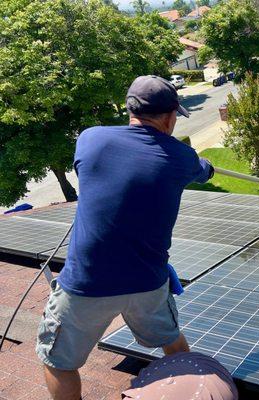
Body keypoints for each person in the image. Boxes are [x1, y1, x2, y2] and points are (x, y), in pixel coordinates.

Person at [35, 76, 214, 400]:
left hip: (88, 284)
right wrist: (206, 167)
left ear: (131, 108)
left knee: (58, 362)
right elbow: (201, 169)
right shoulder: (180, 158)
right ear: (171, 117)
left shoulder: (91, 140)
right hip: (147, 283)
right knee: (173, 344)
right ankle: (195, 392)